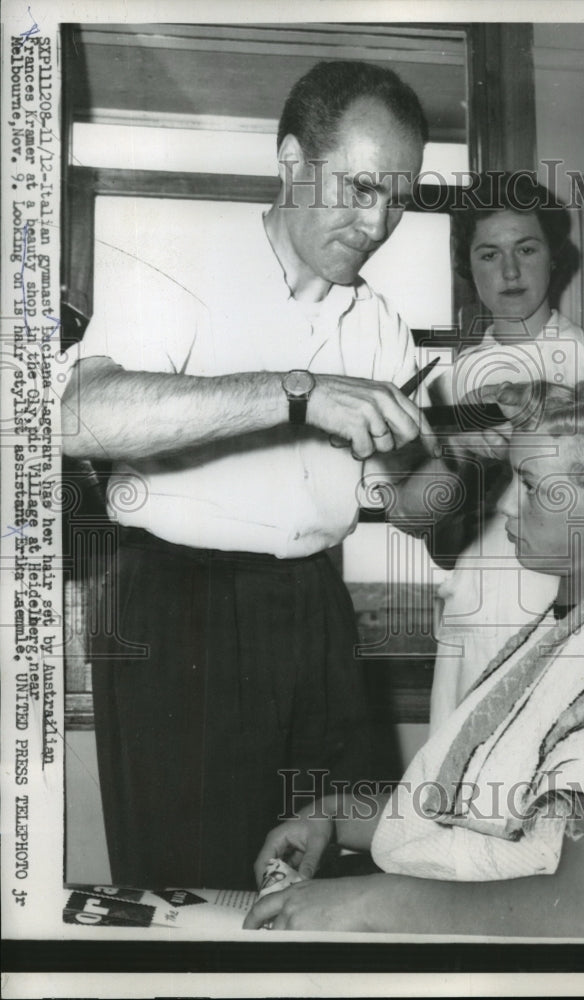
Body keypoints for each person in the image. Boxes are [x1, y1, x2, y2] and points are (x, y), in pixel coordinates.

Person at [61, 60, 436, 890]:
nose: (378, 222)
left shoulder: (378, 324)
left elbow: (412, 507)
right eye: (361, 187)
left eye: (399, 198)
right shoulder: (179, 261)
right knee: (196, 879)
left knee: (326, 867)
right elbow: (78, 416)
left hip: (313, 607)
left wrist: (468, 464)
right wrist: (298, 395)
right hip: (174, 605)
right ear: (294, 163)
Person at [243, 377, 584, 938]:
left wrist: (368, 901)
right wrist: (335, 816)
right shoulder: (564, 637)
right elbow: (488, 815)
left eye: (532, 486)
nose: (509, 505)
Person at [424, 175, 584, 731]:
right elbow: (439, 544)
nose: (509, 272)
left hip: (577, 625)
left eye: (526, 249)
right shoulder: (444, 386)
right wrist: (462, 468)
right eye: (489, 254)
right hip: (476, 618)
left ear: (555, 258)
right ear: (468, 268)